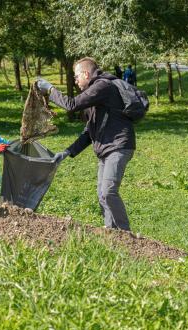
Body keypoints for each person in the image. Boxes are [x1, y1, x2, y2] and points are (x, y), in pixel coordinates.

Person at [37, 57, 135, 231]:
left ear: (85, 73)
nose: (75, 81)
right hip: (106, 148)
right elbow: (90, 131)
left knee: (108, 191)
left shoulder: (102, 86)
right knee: (102, 195)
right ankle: (111, 232)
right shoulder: (95, 95)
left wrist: (50, 89)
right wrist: (67, 152)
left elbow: (71, 105)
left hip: (118, 145)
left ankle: (126, 236)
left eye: (76, 77)